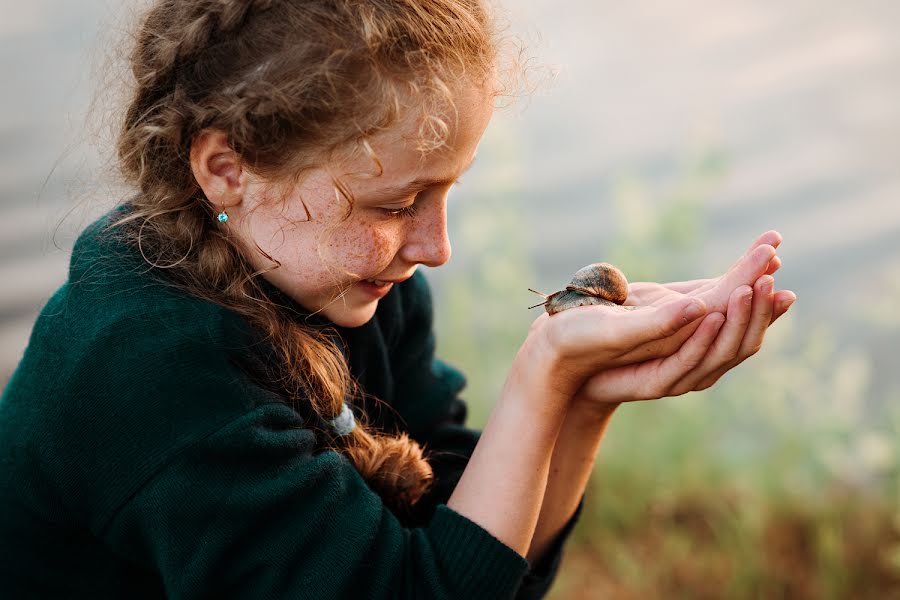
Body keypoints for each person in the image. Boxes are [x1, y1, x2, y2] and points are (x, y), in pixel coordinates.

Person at [0, 0, 796, 598]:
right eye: (392, 204)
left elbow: (473, 558)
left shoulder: (347, 282)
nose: (435, 247)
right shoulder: (149, 374)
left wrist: (579, 401)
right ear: (227, 170)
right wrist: (541, 377)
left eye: (445, 192)